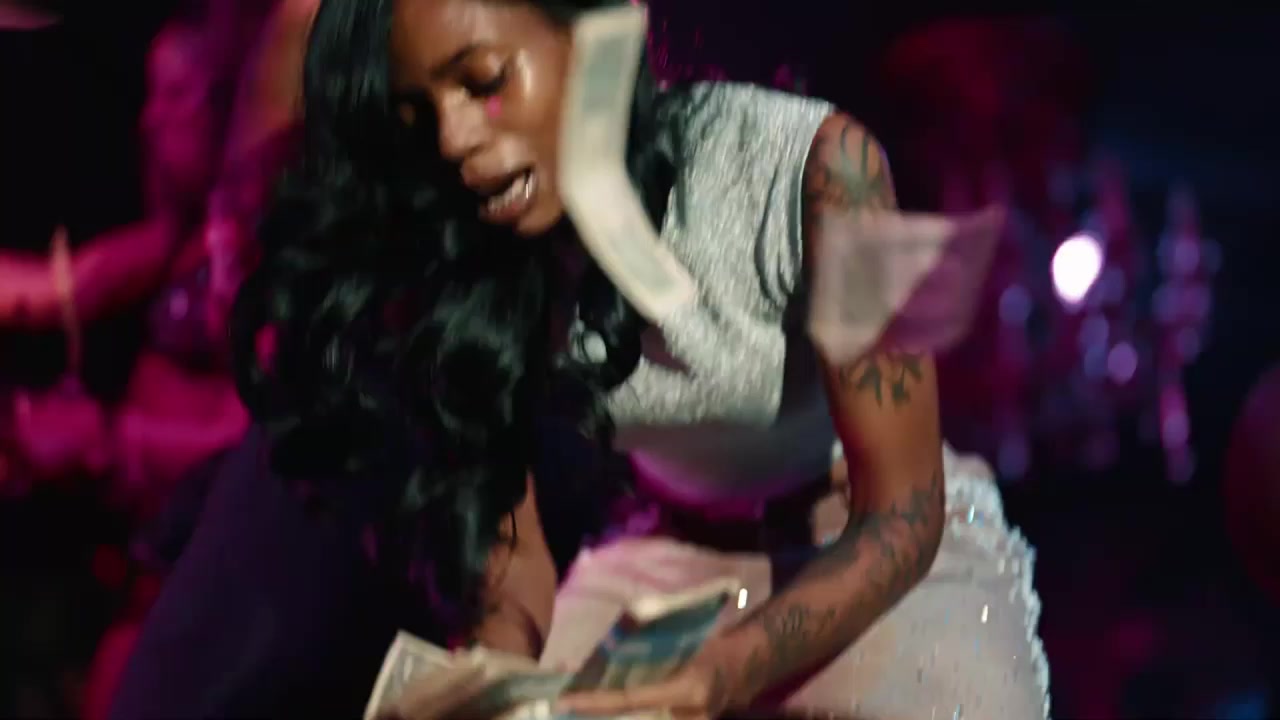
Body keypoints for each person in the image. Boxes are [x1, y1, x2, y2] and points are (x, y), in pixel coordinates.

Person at [114, 1, 1050, 719]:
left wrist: (733, 670)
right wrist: (490, 679)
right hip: (664, 570)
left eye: (483, 81)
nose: (455, 139)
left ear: (601, 36)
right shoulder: (484, 252)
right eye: (420, 112)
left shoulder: (828, 166)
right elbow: (513, 561)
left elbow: (905, 512)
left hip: (864, 551)